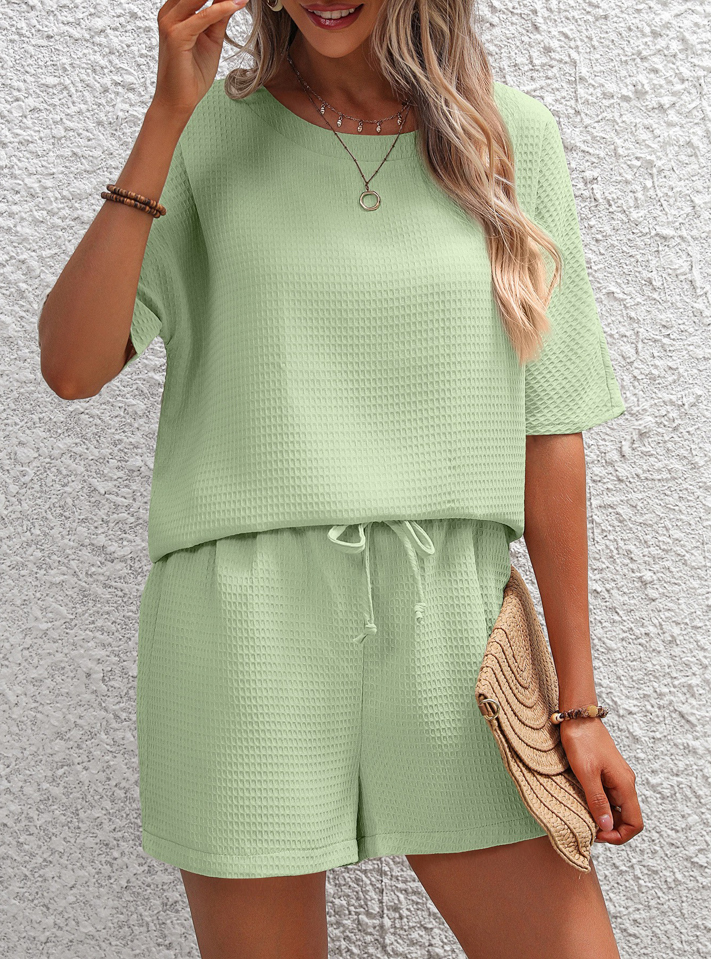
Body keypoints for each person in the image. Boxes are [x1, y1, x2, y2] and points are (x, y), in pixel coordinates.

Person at [38, 0, 644, 955]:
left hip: (455, 638)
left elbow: (549, 431)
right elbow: (72, 366)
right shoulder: (206, 135)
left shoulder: (511, 137)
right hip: (244, 631)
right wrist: (166, 119)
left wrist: (578, 702)